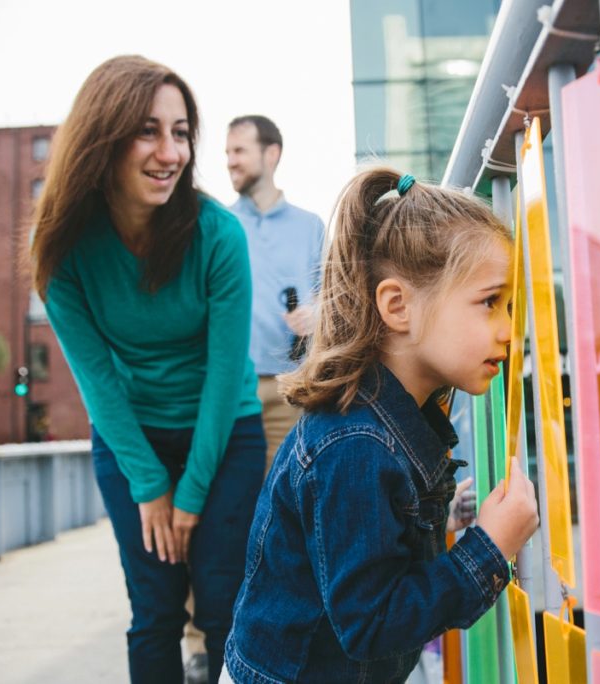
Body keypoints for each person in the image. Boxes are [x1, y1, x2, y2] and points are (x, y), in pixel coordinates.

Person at [222, 168, 540, 683]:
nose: (509, 330)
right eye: (490, 303)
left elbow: (374, 549)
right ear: (398, 307)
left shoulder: (381, 422)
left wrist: (446, 520)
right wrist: (489, 548)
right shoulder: (355, 445)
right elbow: (373, 624)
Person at [29, 55, 265, 684]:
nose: (171, 152)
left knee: (222, 604)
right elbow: (97, 383)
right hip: (131, 436)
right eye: (149, 131)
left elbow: (224, 375)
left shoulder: (219, 236)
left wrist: (188, 496)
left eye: (181, 131)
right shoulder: (61, 251)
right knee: (155, 611)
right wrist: (150, 488)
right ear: (103, 139)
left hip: (225, 431)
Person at [225, 114, 324, 472]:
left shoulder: (310, 226)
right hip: (234, 389)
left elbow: (337, 301)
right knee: (236, 504)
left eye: (239, 150)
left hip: (291, 389)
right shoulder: (220, 225)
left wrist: (317, 313)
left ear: (271, 155)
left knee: (288, 498)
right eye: (227, 152)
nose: (230, 161)